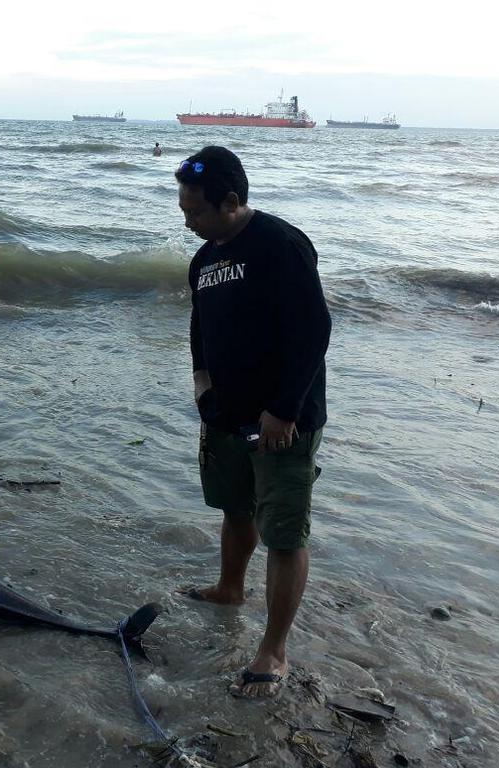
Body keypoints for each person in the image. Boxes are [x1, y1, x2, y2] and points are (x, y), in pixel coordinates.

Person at [176, 146, 330, 697]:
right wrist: (202, 386)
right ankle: (229, 588)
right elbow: (201, 327)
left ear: (233, 201)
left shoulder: (278, 244)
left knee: (283, 532)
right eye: (183, 208)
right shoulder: (204, 261)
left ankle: (274, 649)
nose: (186, 220)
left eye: (195, 211)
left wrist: (284, 409)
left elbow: (313, 330)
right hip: (225, 414)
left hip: (281, 419)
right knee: (234, 507)